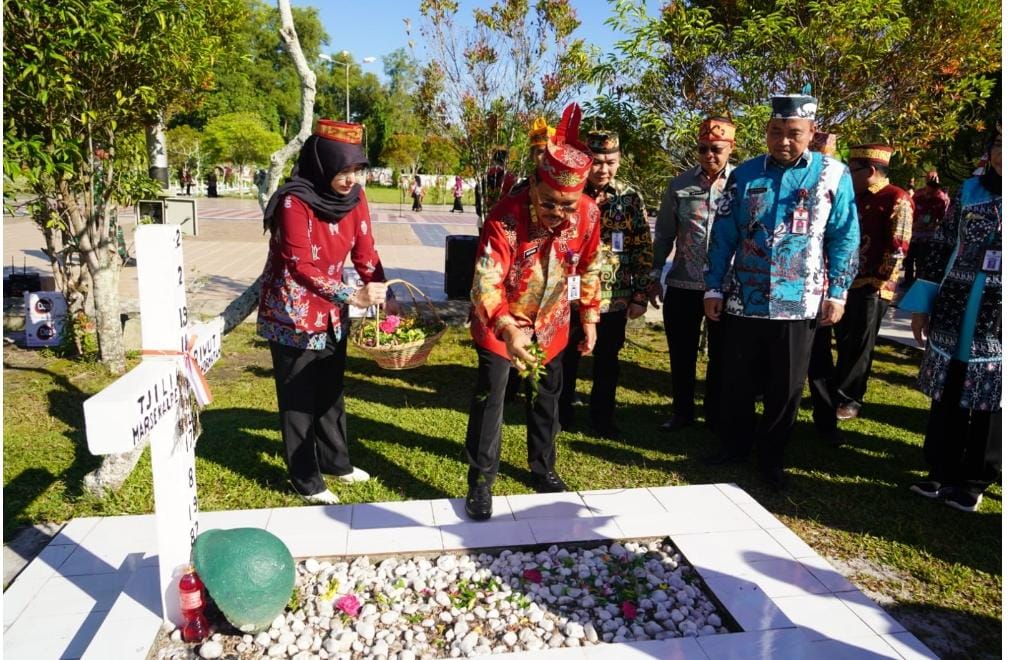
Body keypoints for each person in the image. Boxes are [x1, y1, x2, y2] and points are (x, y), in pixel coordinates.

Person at [702, 93, 860, 490]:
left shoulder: (833, 175)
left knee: (785, 387)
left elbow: (844, 237)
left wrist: (837, 291)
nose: (784, 141)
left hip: (799, 303)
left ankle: (771, 456)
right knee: (736, 380)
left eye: (794, 134)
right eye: (776, 132)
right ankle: (733, 446)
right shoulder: (744, 175)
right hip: (744, 299)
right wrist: (713, 287)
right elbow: (723, 235)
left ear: (811, 133)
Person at [465, 103, 601, 520]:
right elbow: (486, 281)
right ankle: (481, 481)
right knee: (492, 398)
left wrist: (589, 317)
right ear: (536, 186)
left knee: (547, 396)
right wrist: (507, 328)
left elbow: (591, 264)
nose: (559, 214)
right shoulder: (505, 218)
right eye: (550, 203)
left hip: (553, 321)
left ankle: (543, 468)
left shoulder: (590, 214)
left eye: (568, 205)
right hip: (500, 323)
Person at [257, 119, 390, 505]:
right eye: (341, 169)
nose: (350, 179)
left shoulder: (357, 198)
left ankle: (336, 463)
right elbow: (300, 266)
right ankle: (305, 478)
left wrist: (380, 288)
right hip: (292, 311)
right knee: (299, 397)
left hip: (334, 309)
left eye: (356, 169)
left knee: (331, 389)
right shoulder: (292, 201)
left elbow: (366, 252)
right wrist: (353, 295)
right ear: (321, 162)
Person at [900, 125, 1001, 512]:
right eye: (997, 144)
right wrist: (923, 304)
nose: (1000, 153)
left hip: (998, 314)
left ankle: (975, 480)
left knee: (990, 395)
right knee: (949, 389)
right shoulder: (969, 192)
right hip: (955, 302)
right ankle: (940, 470)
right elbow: (942, 246)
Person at [559, 130, 653, 438]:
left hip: (615, 295)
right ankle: (561, 414)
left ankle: (602, 418)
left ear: (619, 160)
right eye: (597, 162)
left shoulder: (629, 197)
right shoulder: (570, 191)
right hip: (572, 292)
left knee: (608, 359)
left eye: (610, 162)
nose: (603, 170)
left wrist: (640, 293)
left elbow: (642, 246)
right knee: (568, 355)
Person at [648, 117, 736, 434]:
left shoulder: (742, 185)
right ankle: (681, 411)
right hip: (684, 282)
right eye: (703, 149)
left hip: (726, 286)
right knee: (681, 353)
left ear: (730, 147)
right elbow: (664, 235)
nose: (709, 155)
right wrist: (656, 271)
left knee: (723, 356)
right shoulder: (680, 186)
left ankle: (716, 414)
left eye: (716, 149)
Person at [831, 145, 913, 422]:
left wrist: (882, 279)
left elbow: (899, 246)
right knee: (843, 339)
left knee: (860, 344)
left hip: (874, 284)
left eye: (852, 170)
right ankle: (837, 390)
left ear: (871, 171)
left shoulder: (896, 198)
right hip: (845, 282)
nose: (848, 175)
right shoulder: (853, 197)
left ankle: (850, 398)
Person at [905, 170, 950, 286]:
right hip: (913, 232)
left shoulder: (941, 198)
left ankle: (918, 281)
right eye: (930, 186)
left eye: (935, 187)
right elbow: (909, 210)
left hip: (928, 234)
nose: (932, 189)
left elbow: (943, 218)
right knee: (909, 258)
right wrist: (912, 223)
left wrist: (934, 224)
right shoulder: (918, 195)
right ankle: (907, 280)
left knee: (921, 259)